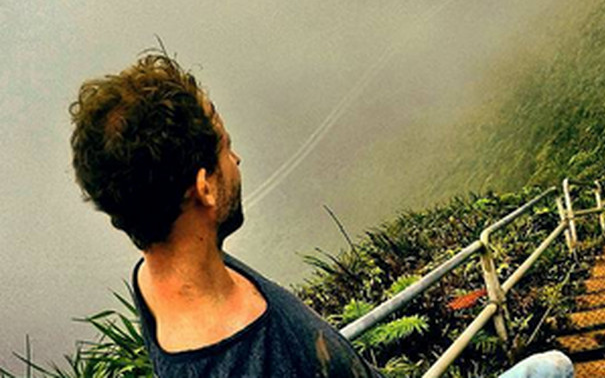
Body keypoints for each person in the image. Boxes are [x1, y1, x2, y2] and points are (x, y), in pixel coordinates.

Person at [70, 51, 572, 378]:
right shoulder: (249, 356)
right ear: (203, 188)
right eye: (225, 148)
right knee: (554, 370)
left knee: (549, 367)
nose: (237, 160)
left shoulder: (156, 279)